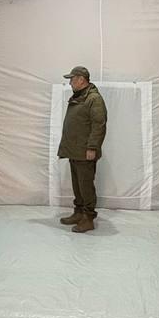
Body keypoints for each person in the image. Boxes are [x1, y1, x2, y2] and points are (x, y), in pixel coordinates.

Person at [57, 66, 108, 234]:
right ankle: (79, 213)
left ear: (81, 79)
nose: (70, 83)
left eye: (72, 79)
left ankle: (88, 218)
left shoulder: (94, 99)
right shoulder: (79, 97)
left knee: (86, 186)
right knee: (77, 185)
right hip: (75, 151)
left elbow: (99, 125)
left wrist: (92, 147)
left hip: (85, 152)